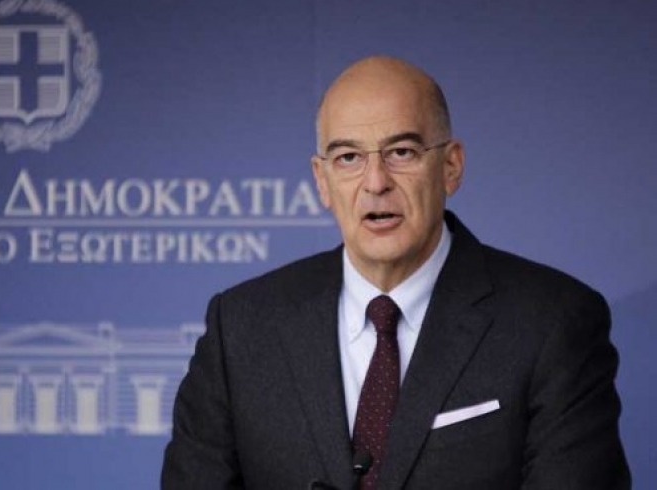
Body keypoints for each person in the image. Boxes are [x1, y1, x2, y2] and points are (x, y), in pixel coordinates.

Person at [161, 56, 630, 490]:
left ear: (450, 166)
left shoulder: (552, 322)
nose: (376, 182)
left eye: (401, 152)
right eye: (349, 158)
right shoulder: (240, 327)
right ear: (322, 181)